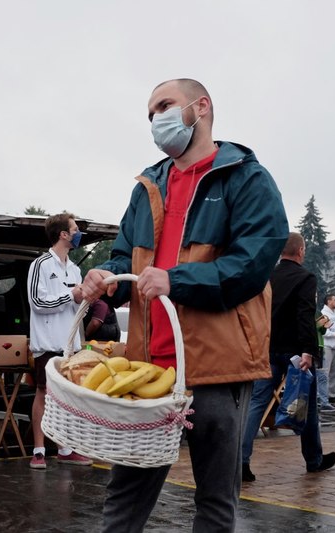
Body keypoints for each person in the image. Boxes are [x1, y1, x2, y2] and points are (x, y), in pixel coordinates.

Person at [81, 78, 288, 532]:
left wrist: (176, 279)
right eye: (150, 113)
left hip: (218, 366)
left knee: (214, 500)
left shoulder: (247, 177)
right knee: (124, 495)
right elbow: (124, 257)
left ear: (202, 106)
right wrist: (105, 278)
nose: (156, 119)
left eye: (165, 105)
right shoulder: (147, 186)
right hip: (149, 369)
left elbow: (253, 263)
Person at [241, 233, 335, 482]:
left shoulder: (266, 276)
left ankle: (240, 460)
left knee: (257, 403)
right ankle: (314, 459)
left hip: (268, 348)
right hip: (296, 351)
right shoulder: (306, 278)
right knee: (307, 403)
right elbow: (305, 314)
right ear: (301, 251)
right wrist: (308, 350)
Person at [27, 213, 93, 470]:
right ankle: (39, 450)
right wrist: (70, 295)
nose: (78, 234)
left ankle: (65, 448)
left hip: (71, 345)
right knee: (43, 392)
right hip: (47, 343)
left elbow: (79, 308)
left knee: (67, 397)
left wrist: (83, 300)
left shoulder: (76, 269)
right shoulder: (40, 265)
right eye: (75, 229)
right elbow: (37, 303)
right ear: (63, 234)